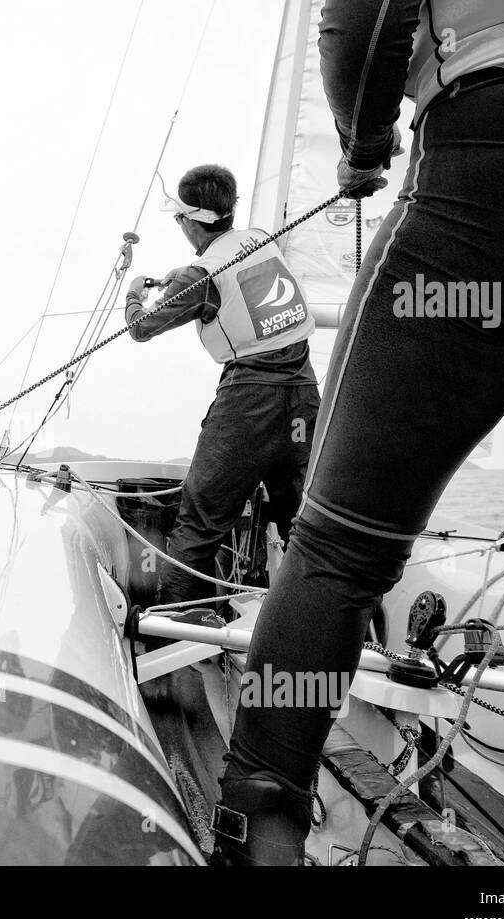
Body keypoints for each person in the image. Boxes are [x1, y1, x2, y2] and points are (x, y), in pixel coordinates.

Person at [212, 0, 504, 865]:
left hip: (494, 182)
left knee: (338, 552)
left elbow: (364, 23)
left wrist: (364, 144)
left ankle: (254, 838)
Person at [124, 164, 320, 614]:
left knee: (199, 524)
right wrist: (186, 272)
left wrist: (136, 291)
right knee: (305, 524)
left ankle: (177, 642)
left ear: (192, 221)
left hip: (249, 407)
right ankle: (312, 632)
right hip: (303, 404)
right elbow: (233, 269)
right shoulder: (257, 238)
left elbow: (140, 328)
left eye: (178, 220)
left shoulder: (199, 277)